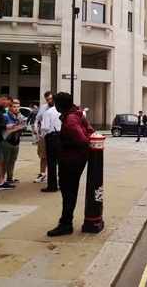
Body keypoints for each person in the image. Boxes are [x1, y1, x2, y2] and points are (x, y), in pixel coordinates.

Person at [47, 92, 95, 237]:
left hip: (70, 159)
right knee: (70, 191)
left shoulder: (70, 119)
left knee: (68, 192)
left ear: (60, 105)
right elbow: (90, 131)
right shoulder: (77, 114)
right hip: (77, 158)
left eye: (56, 104)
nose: (55, 106)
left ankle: (66, 224)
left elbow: (81, 140)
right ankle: (65, 221)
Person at [40, 100, 62, 192]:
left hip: (52, 136)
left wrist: (42, 135)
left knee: (52, 161)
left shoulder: (48, 112)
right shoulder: (64, 111)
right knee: (61, 161)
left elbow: (45, 127)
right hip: (62, 135)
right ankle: (62, 183)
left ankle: (52, 185)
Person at [2, 99, 25, 183]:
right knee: (5, 160)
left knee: (13, 160)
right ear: (10, 107)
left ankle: (10, 176)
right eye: (14, 107)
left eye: (18, 107)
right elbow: (2, 127)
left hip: (16, 139)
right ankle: (1, 178)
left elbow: (23, 125)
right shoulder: (5, 116)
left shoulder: (20, 116)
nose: (16, 109)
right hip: (7, 139)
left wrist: (22, 128)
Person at [34, 92, 54, 183]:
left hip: (54, 134)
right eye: (47, 99)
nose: (50, 101)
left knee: (54, 156)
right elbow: (37, 119)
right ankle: (42, 173)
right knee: (43, 155)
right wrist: (35, 128)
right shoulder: (43, 108)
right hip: (44, 134)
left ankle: (54, 175)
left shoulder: (57, 108)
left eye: (51, 99)